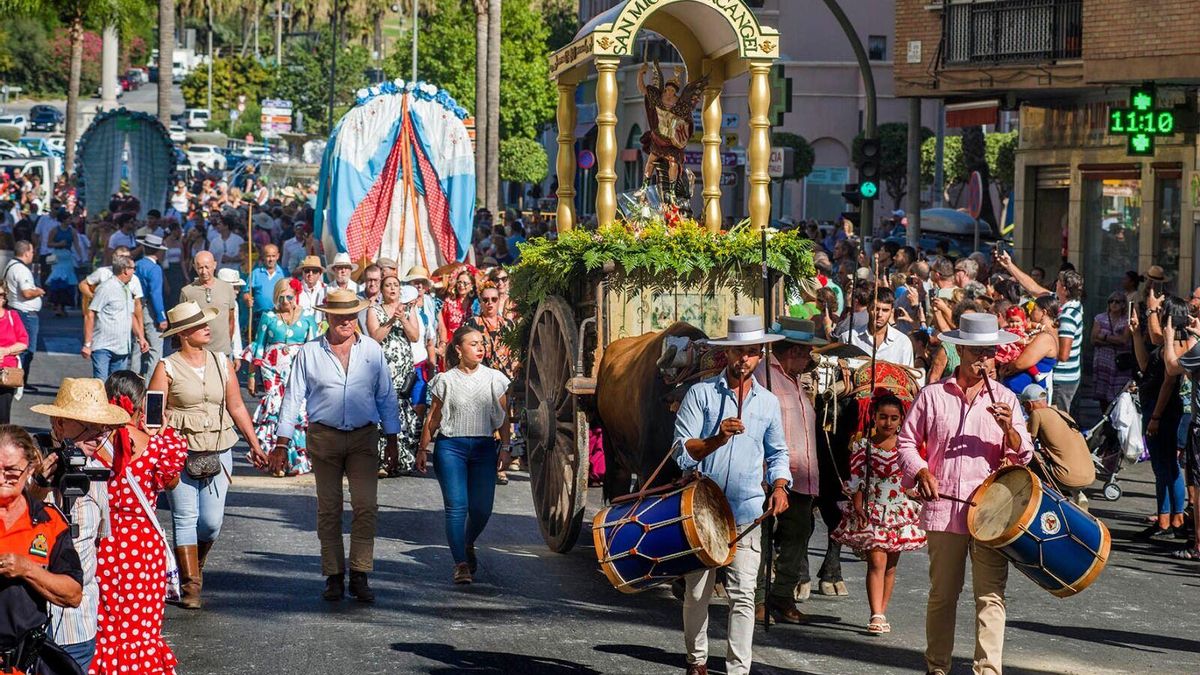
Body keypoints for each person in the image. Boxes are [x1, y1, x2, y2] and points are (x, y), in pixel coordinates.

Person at [897, 312, 1033, 675]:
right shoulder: (932, 395)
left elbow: (1024, 455)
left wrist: (1011, 432)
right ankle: (937, 667)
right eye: (975, 352)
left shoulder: (1006, 398)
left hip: (991, 514)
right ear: (959, 350)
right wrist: (921, 470)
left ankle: (988, 670)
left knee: (990, 597)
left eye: (988, 352)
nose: (982, 360)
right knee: (943, 596)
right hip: (944, 509)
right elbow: (907, 441)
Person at [671, 315, 790, 675]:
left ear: (759, 356)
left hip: (746, 509)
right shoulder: (702, 394)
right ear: (727, 354)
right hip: (702, 509)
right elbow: (681, 450)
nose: (745, 359)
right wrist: (717, 439)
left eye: (752, 353)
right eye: (740, 351)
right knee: (697, 593)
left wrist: (781, 484)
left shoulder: (768, 403)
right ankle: (698, 658)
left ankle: (739, 669)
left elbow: (778, 452)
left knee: (743, 595)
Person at [273, 289, 401, 603]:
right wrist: (281, 443)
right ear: (327, 317)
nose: (345, 321)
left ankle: (360, 572)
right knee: (329, 508)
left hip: (363, 436)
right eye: (339, 315)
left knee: (366, 506)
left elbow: (386, 396)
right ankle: (333, 575)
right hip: (324, 436)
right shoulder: (310, 352)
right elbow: (293, 398)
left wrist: (393, 438)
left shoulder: (371, 349)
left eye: (350, 314)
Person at [149, 301, 269, 609]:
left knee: (212, 523)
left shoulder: (221, 361)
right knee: (185, 518)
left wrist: (254, 445)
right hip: (180, 452)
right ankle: (191, 587)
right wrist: (158, 442)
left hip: (219, 447)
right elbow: (151, 415)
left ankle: (195, 566)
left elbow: (237, 406)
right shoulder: (167, 367)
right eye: (199, 324)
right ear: (184, 334)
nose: (207, 327)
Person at [85, 372, 187, 674]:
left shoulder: (92, 443)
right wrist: (159, 433)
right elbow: (170, 482)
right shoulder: (157, 445)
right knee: (139, 625)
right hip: (142, 544)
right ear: (140, 405)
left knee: (103, 621)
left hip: (100, 537)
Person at [31, 380, 130, 672]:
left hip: (78, 620)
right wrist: (38, 487)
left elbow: (97, 540)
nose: (97, 436)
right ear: (59, 424)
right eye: (87, 426)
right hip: (27, 615)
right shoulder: (24, 465)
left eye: (102, 428)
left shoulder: (95, 473)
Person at [416, 325, 512, 585]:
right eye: (473, 343)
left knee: (482, 509)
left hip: (483, 448)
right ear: (458, 349)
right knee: (456, 506)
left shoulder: (495, 378)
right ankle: (460, 564)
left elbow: (504, 417)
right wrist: (423, 448)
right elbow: (433, 417)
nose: (480, 348)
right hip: (450, 448)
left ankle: (468, 542)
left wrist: (505, 446)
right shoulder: (444, 380)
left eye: (482, 343)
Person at [831, 393, 925, 635]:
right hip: (872, 512)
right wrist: (858, 504)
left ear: (902, 420)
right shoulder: (863, 446)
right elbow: (857, 480)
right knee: (876, 562)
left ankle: (883, 610)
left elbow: (913, 478)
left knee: (891, 566)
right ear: (873, 418)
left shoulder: (908, 449)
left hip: (899, 513)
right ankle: (876, 613)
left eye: (894, 418)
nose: (888, 423)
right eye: (883, 417)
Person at [751, 318, 824, 626]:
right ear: (795, 350)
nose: (811, 358)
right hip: (770, 472)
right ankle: (757, 598)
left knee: (797, 535)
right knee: (763, 536)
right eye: (808, 351)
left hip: (803, 474)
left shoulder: (795, 379)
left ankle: (783, 596)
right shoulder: (763, 375)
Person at [0, 425, 83, 674]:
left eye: (11, 471)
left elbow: (73, 594)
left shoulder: (48, 522)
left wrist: (27, 569)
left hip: (23, 663)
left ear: (30, 469)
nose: (1, 478)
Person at [245, 278, 319, 477]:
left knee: (297, 411)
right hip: (272, 371)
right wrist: (252, 375)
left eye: (289, 296)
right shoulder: (268, 316)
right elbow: (258, 347)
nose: (285, 301)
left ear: (296, 296)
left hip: (298, 369)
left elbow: (313, 348)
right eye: (281, 297)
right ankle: (273, 461)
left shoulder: (308, 317)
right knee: (276, 409)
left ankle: (295, 461)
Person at [1129, 294, 1188, 538]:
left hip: (1164, 410)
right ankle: (1164, 518)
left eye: (1163, 310)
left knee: (1168, 466)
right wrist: (1135, 334)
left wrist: (1155, 416)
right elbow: (1145, 366)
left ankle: (1174, 519)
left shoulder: (1181, 343)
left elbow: (1168, 382)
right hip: (1153, 405)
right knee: (1160, 466)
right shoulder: (1167, 342)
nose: (1159, 312)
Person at [365, 277, 421, 477]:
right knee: (383, 408)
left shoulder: (408, 309)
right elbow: (375, 338)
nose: (392, 289)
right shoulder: (374, 310)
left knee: (402, 407)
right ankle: (382, 460)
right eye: (387, 285)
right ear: (381, 289)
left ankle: (403, 459)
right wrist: (391, 320)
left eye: (395, 285)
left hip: (403, 366)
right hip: (383, 366)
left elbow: (415, 337)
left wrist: (403, 318)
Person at [1018, 384, 1095, 501]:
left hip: (1066, 477)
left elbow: (1026, 442)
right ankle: (1077, 494)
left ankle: (1038, 499)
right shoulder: (1064, 414)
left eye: (1024, 406)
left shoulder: (1037, 414)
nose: (1025, 410)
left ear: (1029, 404)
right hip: (1090, 475)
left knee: (1027, 456)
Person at [82, 256, 149, 380]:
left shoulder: (127, 289)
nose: (134, 271)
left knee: (116, 387)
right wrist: (87, 344)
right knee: (101, 386)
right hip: (103, 346)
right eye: (133, 268)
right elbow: (91, 314)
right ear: (125, 270)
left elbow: (130, 315)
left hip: (122, 347)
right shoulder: (106, 288)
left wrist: (141, 337)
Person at [178, 251, 237, 358]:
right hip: (198, 351)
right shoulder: (187, 291)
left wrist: (228, 343)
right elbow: (182, 326)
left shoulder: (227, 288)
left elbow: (231, 319)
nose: (204, 271)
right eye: (200, 267)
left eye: (207, 267)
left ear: (214, 265)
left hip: (223, 351)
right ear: (194, 267)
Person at [835, 287, 914, 367]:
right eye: (876, 309)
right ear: (868, 308)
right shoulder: (849, 338)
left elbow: (909, 376)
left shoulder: (903, 343)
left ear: (892, 311)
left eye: (885, 310)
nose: (880, 314)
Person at [998, 295, 1058, 396]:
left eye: (1034, 309)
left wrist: (1006, 369)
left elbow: (1019, 364)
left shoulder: (1046, 336)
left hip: (1026, 393)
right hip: (1018, 390)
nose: (1031, 312)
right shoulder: (1039, 332)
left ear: (1043, 313)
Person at [4, 241, 43, 390]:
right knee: (26, 349)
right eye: (32, 251)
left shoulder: (11, 265)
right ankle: (19, 379)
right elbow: (26, 293)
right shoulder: (21, 270)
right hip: (25, 313)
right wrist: (39, 291)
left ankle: (18, 378)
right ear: (26, 253)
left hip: (19, 310)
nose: (33, 254)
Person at [134, 234, 169, 379]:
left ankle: (131, 383)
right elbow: (156, 294)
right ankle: (150, 385)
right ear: (158, 251)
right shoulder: (155, 269)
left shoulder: (137, 264)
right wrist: (161, 316)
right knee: (155, 348)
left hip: (136, 306)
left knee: (137, 347)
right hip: (149, 308)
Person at [1092, 291, 1133, 410]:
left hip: (1120, 364)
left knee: (1119, 395)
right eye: (1111, 301)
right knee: (1102, 395)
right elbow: (1093, 339)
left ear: (1123, 304)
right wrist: (1114, 340)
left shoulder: (1127, 320)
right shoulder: (1100, 318)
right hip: (1103, 363)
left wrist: (1104, 337)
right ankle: (1105, 423)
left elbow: (1124, 340)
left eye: (1117, 301)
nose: (1114, 304)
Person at [0, 288, 27, 424]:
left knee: (3, 417)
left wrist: (6, 350)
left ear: (5, 298)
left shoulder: (12, 316)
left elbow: (23, 342)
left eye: (0, 295)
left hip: (6, 374)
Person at [245, 243, 286, 331]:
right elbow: (246, 292)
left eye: (273, 256)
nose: (271, 259)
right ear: (263, 257)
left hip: (278, 316)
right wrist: (247, 299)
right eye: (268, 256)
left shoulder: (284, 274)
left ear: (278, 256)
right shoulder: (255, 273)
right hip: (259, 317)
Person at [295, 255, 326, 319]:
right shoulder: (294, 290)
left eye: (314, 271)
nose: (310, 274)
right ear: (302, 272)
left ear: (320, 273)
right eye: (307, 270)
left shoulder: (327, 289)